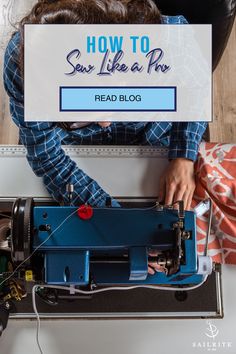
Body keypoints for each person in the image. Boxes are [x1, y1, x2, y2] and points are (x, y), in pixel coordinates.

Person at [4, 0, 207, 273]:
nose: (104, 121)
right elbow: (46, 154)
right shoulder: (23, 66)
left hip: (153, 138)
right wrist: (112, 220)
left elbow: (197, 88)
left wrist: (183, 155)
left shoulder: (172, 44)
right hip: (78, 151)